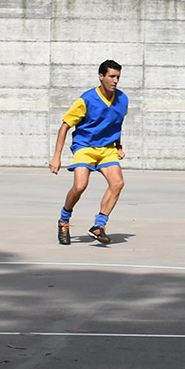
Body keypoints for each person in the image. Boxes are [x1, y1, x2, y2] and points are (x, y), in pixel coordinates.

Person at [49, 59, 129, 245]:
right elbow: (65, 127)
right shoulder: (86, 99)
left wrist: (119, 146)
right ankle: (64, 221)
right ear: (101, 76)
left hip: (107, 149)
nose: (115, 80)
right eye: (111, 76)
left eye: (118, 77)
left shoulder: (123, 99)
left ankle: (99, 225)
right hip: (85, 147)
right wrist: (56, 157)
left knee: (117, 183)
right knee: (80, 186)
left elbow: (115, 124)